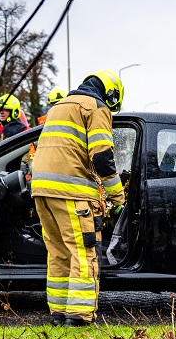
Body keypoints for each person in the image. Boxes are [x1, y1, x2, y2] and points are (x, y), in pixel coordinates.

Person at [30, 70, 126, 326]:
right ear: (111, 94)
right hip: (72, 193)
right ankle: (79, 317)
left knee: (58, 253)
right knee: (83, 253)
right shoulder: (95, 107)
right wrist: (118, 196)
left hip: (42, 191)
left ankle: (59, 313)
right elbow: (102, 156)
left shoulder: (59, 107)